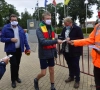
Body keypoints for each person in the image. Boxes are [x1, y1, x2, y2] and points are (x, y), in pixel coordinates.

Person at [34, 11, 63, 90]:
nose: (49, 20)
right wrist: (56, 41)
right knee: (43, 73)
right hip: (43, 54)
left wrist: (55, 53)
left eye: (50, 18)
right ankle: (36, 80)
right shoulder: (39, 29)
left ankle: (52, 86)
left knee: (52, 70)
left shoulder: (51, 28)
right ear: (43, 19)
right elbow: (43, 42)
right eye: (47, 18)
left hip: (51, 53)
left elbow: (53, 39)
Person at [68, 21, 100, 90]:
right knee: (98, 85)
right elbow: (90, 40)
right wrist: (75, 42)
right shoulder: (97, 26)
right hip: (97, 64)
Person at [1, 14, 30, 88]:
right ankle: (13, 80)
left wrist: (27, 47)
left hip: (19, 50)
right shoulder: (6, 28)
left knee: (17, 64)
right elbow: (2, 39)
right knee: (13, 64)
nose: (14, 21)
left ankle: (17, 77)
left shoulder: (20, 28)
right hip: (10, 50)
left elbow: (24, 39)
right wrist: (10, 39)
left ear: (17, 20)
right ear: (10, 20)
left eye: (15, 20)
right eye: (13, 20)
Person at [60, 17, 83, 88]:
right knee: (69, 64)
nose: (66, 26)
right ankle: (71, 76)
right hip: (66, 50)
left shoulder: (77, 28)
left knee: (75, 65)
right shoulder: (64, 29)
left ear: (70, 23)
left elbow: (81, 38)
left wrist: (71, 39)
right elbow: (62, 36)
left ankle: (77, 80)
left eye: (67, 24)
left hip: (75, 51)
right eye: (65, 24)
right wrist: (60, 39)